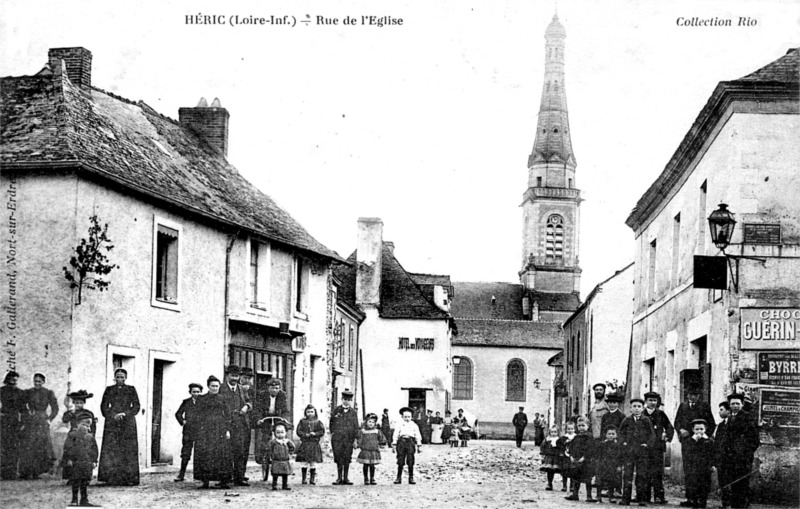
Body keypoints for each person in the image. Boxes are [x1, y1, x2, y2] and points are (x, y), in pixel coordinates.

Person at [675, 385, 716, 507]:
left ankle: (700, 499)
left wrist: (704, 437)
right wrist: (681, 430)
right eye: (690, 394)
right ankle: (690, 498)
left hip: (702, 446)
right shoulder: (683, 406)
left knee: (701, 472)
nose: (693, 397)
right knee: (689, 470)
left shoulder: (704, 406)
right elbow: (677, 422)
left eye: (695, 395)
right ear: (687, 395)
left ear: (699, 396)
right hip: (688, 443)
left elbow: (712, 424)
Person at [98, 368, 140, 486]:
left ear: (126, 378)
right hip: (112, 423)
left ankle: (129, 478)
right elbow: (104, 406)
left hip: (128, 423)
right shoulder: (109, 390)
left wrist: (125, 414)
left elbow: (136, 406)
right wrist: (112, 415)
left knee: (128, 449)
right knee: (112, 449)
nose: (120, 379)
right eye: (118, 377)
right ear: (114, 378)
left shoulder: (131, 389)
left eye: (122, 377)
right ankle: (110, 478)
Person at [718, 393, 759, 509]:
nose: (735, 406)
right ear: (729, 405)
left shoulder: (748, 418)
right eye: (733, 404)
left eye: (737, 403)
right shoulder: (729, 418)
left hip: (742, 459)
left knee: (742, 485)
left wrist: (745, 453)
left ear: (742, 404)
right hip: (730, 458)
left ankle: (743, 506)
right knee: (733, 484)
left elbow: (754, 440)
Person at [194, 375, 232, 489]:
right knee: (205, 454)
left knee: (222, 455)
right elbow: (197, 415)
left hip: (220, 429)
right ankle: (205, 481)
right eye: (212, 386)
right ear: (208, 386)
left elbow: (228, 415)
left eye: (217, 386)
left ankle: (223, 481)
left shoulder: (223, 398)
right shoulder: (202, 399)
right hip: (205, 431)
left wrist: (227, 430)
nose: (215, 388)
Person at [19, 372, 59, 480]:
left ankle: (40, 471)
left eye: (39, 382)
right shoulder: (28, 392)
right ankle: (27, 472)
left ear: (43, 382)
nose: (37, 383)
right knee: (29, 445)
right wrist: (27, 414)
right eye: (35, 381)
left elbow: (55, 408)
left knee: (41, 445)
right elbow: (21, 405)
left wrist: (49, 419)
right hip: (31, 420)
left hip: (42, 420)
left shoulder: (48, 393)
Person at [618, 397, 656, 506]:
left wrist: (647, 444)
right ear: (630, 408)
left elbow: (652, 435)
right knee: (627, 475)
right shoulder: (627, 420)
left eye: (639, 406)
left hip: (642, 452)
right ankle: (626, 499)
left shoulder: (646, 420)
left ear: (642, 408)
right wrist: (623, 442)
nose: (637, 409)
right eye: (634, 406)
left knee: (642, 475)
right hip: (629, 451)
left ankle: (642, 499)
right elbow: (620, 433)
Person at [219, 365, 251, 486]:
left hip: (240, 424)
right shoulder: (221, 388)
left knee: (240, 451)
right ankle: (225, 478)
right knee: (225, 451)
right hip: (225, 424)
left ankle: (239, 477)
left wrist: (246, 407)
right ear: (227, 376)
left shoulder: (242, 389)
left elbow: (249, 401)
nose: (234, 378)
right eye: (232, 375)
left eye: (236, 376)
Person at [643, 391, 675, 504]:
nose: (652, 403)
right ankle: (644, 496)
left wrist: (667, 436)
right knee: (645, 472)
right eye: (650, 400)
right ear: (645, 401)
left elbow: (670, 427)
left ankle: (658, 496)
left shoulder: (661, 414)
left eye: (655, 401)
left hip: (657, 448)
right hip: (645, 448)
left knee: (657, 472)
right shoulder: (642, 414)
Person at [62, 411, 99, 507]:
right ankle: (74, 499)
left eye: (88, 426)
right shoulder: (72, 435)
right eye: (84, 425)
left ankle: (84, 499)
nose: (87, 428)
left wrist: (94, 461)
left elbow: (94, 450)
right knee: (75, 481)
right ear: (77, 424)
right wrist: (69, 459)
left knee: (85, 482)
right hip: (76, 463)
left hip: (87, 463)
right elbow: (67, 448)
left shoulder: (90, 437)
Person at [255, 378, 289, 479]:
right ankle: (264, 456)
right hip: (266, 419)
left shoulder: (282, 395)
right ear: (268, 388)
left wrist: (285, 419)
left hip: (278, 418)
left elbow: (285, 410)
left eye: (276, 388)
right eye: (272, 388)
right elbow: (257, 409)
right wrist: (259, 419)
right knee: (265, 438)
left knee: (280, 434)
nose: (274, 390)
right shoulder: (262, 395)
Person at [61, 390, 97, 482]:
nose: (78, 405)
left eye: (80, 403)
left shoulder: (88, 413)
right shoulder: (71, 412)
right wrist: (71, 412)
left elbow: (92, 425)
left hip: (85, 436)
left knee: (85, 455)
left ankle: (86, 476)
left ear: (84, 403)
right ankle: (71, 477)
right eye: (76, 403)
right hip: (74, 436)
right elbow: (65, 420)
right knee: (72, 454)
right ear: (73, 403)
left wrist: (92, 434)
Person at [173, 383, 203, 482]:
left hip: (201, 431)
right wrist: (182, 421)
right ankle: (181, 474)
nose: (196, 394)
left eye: (198, 392)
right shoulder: (186, 402)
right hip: (189, 431)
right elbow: (178, 413)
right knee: (186, 453)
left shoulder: (204, 401)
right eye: (194, 392)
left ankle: (200, 476)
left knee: (200, 453)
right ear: (190, 392)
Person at [683, 419, 715, 509]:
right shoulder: (689, 441)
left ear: (705, 429)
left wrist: (713, 465)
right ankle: (695, 503)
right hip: (694, 468)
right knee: (693, 485)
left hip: (705, 468)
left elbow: (713, 454)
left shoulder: (709, 441)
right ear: (693, 430)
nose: (699, 431)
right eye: (697, 429)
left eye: (701, 429)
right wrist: (694, 441)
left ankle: (703, 502)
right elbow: (687, 453)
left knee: (704, 486)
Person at [329, 389, 359, 485]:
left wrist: (355, 439)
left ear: (351, 401)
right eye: (345, 399)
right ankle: (339, 477)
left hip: (348, 439)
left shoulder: (353, 412)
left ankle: (346, 478)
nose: (346, 401)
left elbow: (355, 426)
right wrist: (333, 433)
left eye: (349, 399)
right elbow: (331, 423)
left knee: (347, 457)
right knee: (338, 457)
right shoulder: (336, 410)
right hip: (337, 439)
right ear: (342, 399)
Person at [564, 416, 596, 502]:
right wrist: (571, 456)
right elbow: (572, 447)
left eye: (583, 425)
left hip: (586, 461)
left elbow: (590, 448)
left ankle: (589, 496)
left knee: (587, 478)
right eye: (579, 426)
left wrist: (584, 457)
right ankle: (575, 494)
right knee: (576, 477)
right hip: (576, 460)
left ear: (588, 426)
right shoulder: (576, 437)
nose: (581, 428)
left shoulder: (589, 437)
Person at [1, 370, 25, 480]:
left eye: (16, 380)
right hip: (3, 420)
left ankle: (12, 473)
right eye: (12, 379)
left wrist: (23, 422)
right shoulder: (1, 391)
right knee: (3, 446)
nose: (14, 382)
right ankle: (2, 472)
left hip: (15, 421)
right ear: (7, 379)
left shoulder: (20, 392)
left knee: (14, 446)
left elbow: (23, 409)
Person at [295, 404, 324, 485]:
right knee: (304, 462)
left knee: (313, 462)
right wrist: (305, 435)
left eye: (312, 412)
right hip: (305, 444)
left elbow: (322, 431)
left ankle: (312, 479)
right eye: (308, 412)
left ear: (315, 412)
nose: (310, 413)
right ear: (305, 413)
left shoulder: (318, 422)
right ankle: (304, 479)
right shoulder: (302, 422)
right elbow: (298, 431)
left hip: (314, 444)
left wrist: (315, 433)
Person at [392, 406, 422, 484]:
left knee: (410, 460)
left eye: (409, 417)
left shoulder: (414, 425)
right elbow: (396, 434)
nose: (407, 418)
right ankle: (398, 478)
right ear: (402, 417)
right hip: (401, 442)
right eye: (405, 417)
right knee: (400, 460)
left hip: (410, 442)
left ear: (411, 417)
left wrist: (419, 445)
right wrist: (394, 443)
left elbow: (417, 435)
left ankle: (411, 478)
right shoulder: (399, 424)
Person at [595, 426, 623, 504]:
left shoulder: (617, 445)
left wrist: (619, 466)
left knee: (612, 481)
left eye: (613, 434)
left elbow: (620, 456)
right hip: (602, 465)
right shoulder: (602, 444)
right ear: (606, 435)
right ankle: (598, 496)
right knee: (600, 481)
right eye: (609, 434)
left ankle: (611, 496)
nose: (611, 435)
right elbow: (598, 454)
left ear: (616, 435)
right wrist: (598, 463)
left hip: (613, 466)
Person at [357, 413, 386, 485]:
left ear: (375, 423)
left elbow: (382, 439)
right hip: (365, 450)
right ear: (366, 422)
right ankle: (366, 478)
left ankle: (372, 478)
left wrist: (381, 444)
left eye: (373, 422)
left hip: (373, 451)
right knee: (366, 465)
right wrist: (358, 444)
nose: (371, 423)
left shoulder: (377, 431)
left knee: (372, 465)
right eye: (369, 422)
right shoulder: (363, 431)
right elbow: (359, 439)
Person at [266, 422, 295, 490]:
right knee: (275, 473)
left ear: (285, 433)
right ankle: (274, 484)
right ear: (275, 433)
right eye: (278, 432)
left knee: (285, 474)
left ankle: (284, 485)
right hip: (276, 460)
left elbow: (292, 447)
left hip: (285, 460)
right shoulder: (273, 442)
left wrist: (290, 454)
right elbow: (269, 449)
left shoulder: (287, 441)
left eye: (282, 432)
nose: (280, 434)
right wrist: (270, 456)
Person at [714, 401, 732, 509]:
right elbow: (717, 441)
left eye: (721, 410)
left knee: (729, 480)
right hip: (721, 458)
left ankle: (730, 503)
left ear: (728, 411)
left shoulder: (733, 424)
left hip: (729, 457)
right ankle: (725, 503)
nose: (719, 412)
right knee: (722, 480)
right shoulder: (721, 425)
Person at [540, 424, 566, 491]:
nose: (553, 434)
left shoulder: (560, 440)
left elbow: (563, 447)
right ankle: (549, 483)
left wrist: (562, 453)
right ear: (549, 432)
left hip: (557, 457)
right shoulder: (547, 439)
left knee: (561, 470)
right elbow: (542, 447)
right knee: (550, 470)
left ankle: (564, 485)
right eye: (552, 432)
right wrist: (543, 455)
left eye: (555, 432)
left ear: (558, 432)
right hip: (549, 457)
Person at [560, 421, 577, 492]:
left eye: (572, 429)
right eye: (568, 429)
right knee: (565, 470)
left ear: (574, 429)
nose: (570, 430)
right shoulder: (564, 437)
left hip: (573, 456)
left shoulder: (576, 437)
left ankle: (572, 486)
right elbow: (561, 446)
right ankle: (564, 485)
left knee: (572, 470)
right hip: (565, 456)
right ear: (566, 429)